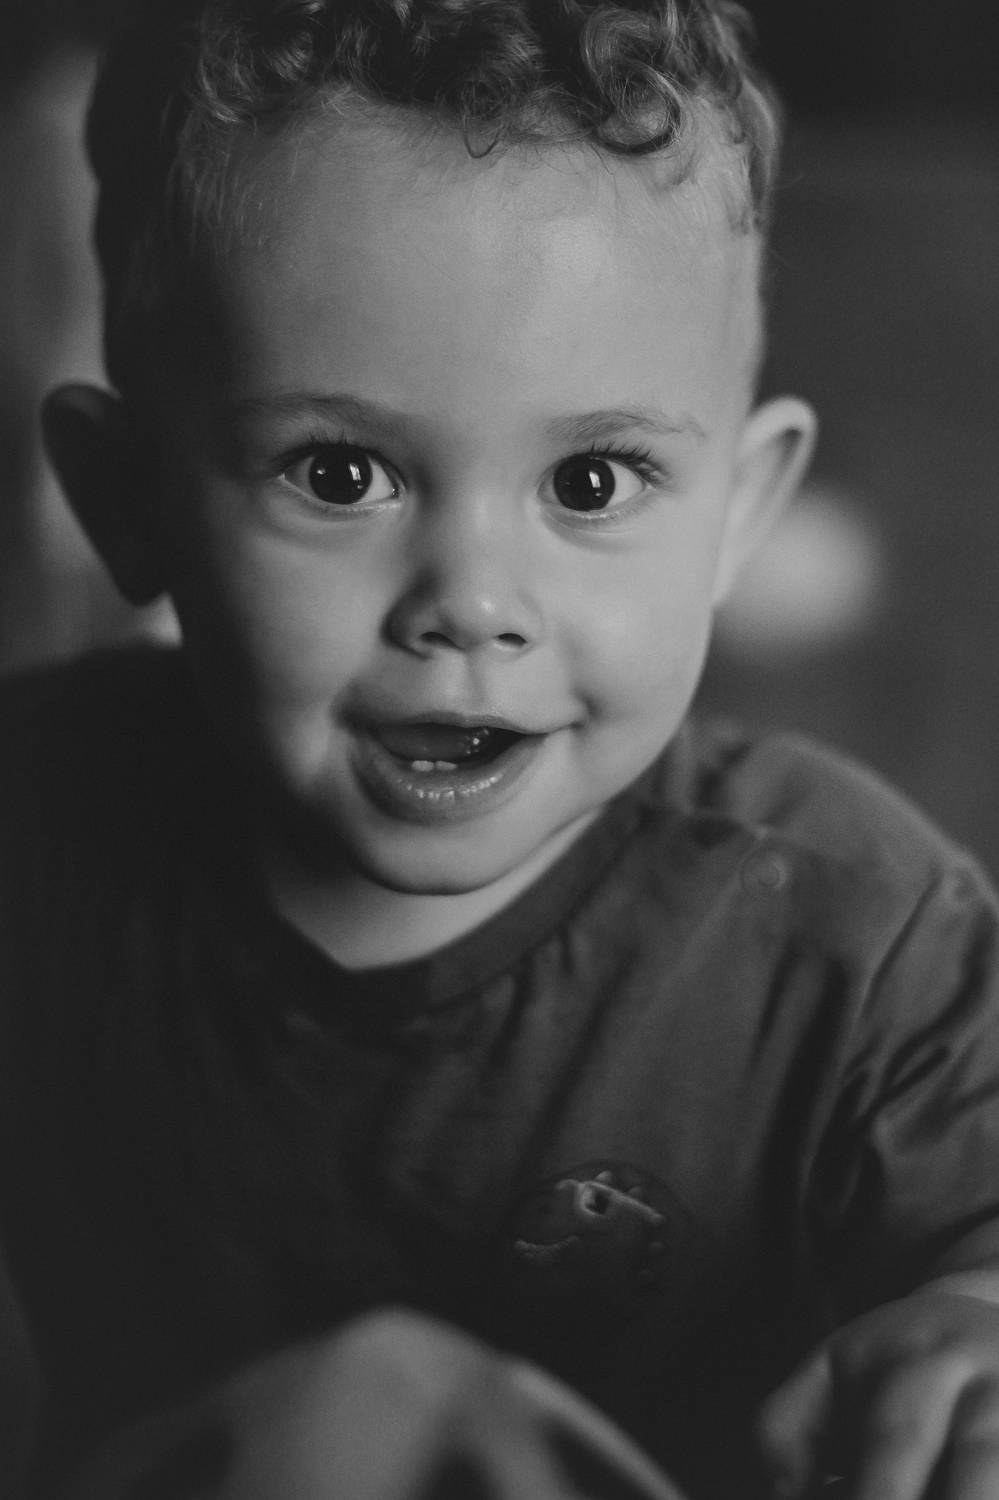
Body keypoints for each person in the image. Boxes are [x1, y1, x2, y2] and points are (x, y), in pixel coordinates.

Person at [5, 0, 999, 1495]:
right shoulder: (39, 837)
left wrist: (976, 1328)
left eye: (592, 481)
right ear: (125, 500)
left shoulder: (858, 941)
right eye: (339, 473)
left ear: (740, 511)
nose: (471, 601)